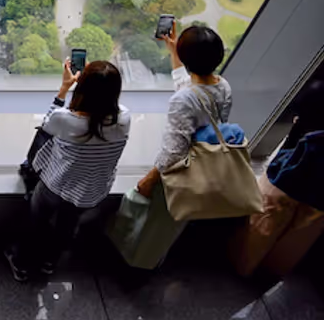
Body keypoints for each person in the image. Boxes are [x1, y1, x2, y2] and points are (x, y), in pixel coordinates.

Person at [5, 60, 131, 282]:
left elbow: (46, 126)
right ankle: (49, 263)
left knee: (37, 220)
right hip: (92, 191)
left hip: (56, 185)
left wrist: (64, 88)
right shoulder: (124, 118)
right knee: (67, 227)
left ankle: (21, 262)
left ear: (82, 88)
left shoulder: (67, 119)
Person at [130, 23, 238, 267]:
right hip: (206, 167)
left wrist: (150, 178)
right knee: (173, 225)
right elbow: (192, 91)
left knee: (157, 223)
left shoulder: (183, 100)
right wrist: (174, 53)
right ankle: (156, 255)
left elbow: (174, 150)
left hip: (182, 173)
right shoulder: (223, 86)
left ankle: (142, 260)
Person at [230, 82, 324, 279]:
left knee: (263, 227)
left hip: (288, 187)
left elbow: (286, 175)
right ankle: (271, 274)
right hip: (316, 201)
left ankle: (244, 267)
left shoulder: (312, 143)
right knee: (297, 238)